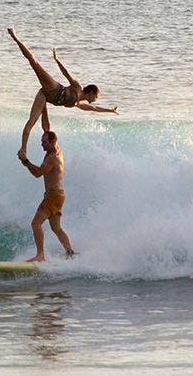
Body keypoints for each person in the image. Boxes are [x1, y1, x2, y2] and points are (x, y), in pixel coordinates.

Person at [8, 28, 118, 156]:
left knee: (46, 130)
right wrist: (57, 60)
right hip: (53, 88)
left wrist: (110, 110)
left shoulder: (79, 104)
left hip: (46, 98)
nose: (96, 99)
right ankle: (15, 37)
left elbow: (95, 108)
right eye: (96, 96)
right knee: (34, 63)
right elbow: (66, 74)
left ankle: (44, 153)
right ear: (91, 92)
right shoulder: (77, 87)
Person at [18, 125, 74, 262]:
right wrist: (43, 106)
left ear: (52, 141)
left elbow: (37, 173)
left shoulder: (52, 158)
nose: (41, 144)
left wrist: (25, 161)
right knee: (56, 227)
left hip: (53, 196)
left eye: (44, 142)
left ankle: (40, 255)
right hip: (59, 195)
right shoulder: (55, 148)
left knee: (35, 224)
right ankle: (70, 252)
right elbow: (46, 126)